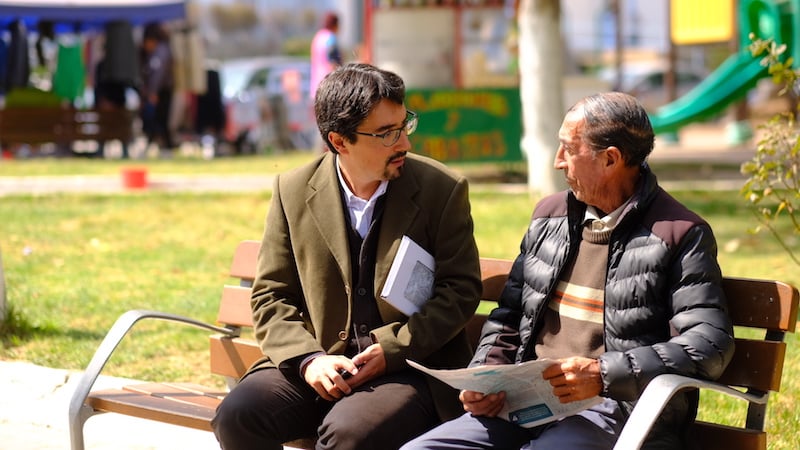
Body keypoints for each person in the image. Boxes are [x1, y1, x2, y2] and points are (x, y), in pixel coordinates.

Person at [401, 92, 735, 450]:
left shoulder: (679, 234)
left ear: (610, 159)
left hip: (614, 410)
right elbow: (510, 315)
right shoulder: (550, 217)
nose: (558, 161)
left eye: (569, 149)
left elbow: (708, 344)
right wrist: (485, 375)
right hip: (523, 404)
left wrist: (602, 375)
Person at [211, 62, 483, 450]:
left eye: (404, 126)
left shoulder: (442, 189)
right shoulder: (293, 190)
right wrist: (309, 360)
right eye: (387, 133)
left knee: (348, 435)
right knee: (239, 416)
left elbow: (460, 291)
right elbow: (271, 296)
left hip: (408, 367)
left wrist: (392, 349)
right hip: (318, 361)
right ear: (340, 142)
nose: (404, 143)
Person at [139, 22, 176, 152]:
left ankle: (165, 146)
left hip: (161, 91)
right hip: (161, 90)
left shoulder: (161, 51)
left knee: (160, 119)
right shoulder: (162, 50)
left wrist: (153, 91)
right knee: (160, 120)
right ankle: (163, 145)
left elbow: (158, 74)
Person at [309, 12, 342, 101]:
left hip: (316, 83)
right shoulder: (331, 38)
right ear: (335, 25)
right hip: (329, 83)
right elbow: (333, 62)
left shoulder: (318, 37)